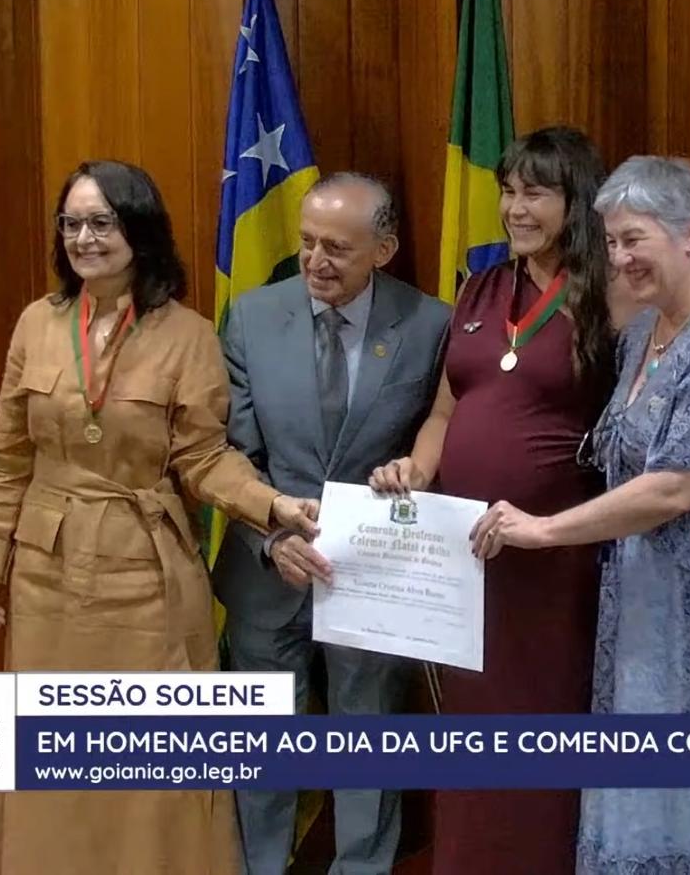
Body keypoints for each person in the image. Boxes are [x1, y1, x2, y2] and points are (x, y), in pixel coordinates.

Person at [469, 156, 690, 873]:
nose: (619, 257)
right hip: (648, 604)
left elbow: (678, 489)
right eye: (610, 241)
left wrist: (543, 531)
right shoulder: (642, 333)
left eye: (634, 239)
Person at [0, 159, 319, 875]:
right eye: (72, 223)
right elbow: (8, 457)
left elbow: (204, 459)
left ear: (139, 230)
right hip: (47, 571)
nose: (84, 238)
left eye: (102, 222)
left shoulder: (188, 334)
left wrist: (272, 505)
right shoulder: (37, 323)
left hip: (144, 575)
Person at [370, 127, 622, 875]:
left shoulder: (610, 294)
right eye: (508, 192)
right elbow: (446, 410)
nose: (515, 208)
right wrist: (417, 468)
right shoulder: (480, 289)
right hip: (468, 558)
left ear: (577, 200)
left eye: (534, 193)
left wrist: (550, 524)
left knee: (543, 727)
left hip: (556, 561)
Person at [213, 172, 451, 875]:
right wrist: (273, 534)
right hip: (268, 569)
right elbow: (229, 452)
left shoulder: (430, 324)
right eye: (308, 242)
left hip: (372, 575)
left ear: (384, 249)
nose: (316, 260)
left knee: (368, 746)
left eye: (337, 248)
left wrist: (412, 471)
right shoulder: (252, 317)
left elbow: (440, 435)